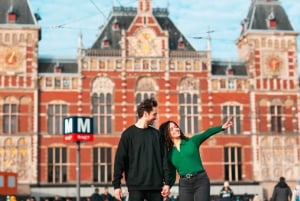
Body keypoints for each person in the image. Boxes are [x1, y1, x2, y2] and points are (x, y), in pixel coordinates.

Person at [158, 118, 233, 201]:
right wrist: (167, 186)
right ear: (167, 134)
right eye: (171, 129)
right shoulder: (170, 154)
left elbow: (206, 133)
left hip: (200, 180)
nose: (176, 129)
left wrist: (222, 127)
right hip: (184, 184)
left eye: (176, 126)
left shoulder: (192, 141)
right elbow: (171, 174)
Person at [112, 97, 171, 201]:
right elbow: (119, 161)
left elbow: (164, 160)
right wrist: (117, 186)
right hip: (135, 188)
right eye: (154, 114)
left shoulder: (157, 135)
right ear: (145, 114)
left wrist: (167, 183)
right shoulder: (128, 135)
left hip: (156, 188)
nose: (156, 117)